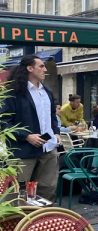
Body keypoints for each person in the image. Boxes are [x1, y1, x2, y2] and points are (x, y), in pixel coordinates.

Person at [0, 55, 60, 200]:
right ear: (30, 68)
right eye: (41, 66)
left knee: (48, 189)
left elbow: (52, 116)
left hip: (48, 148)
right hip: (23, 151)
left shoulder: (47, 91)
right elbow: (3, 121)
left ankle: (42, 221)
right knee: (19, 192)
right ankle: (19, 223)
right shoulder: (14, 92)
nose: (45, 69)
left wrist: (56, 132)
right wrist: (26, 135)